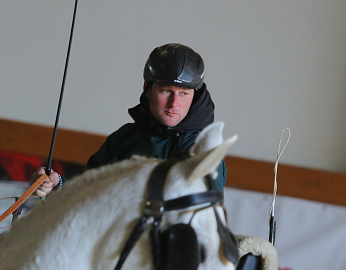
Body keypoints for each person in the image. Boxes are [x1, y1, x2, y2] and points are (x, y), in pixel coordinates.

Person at [31, 43, 224, 197]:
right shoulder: (124, 138)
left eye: (184, 93)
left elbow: (197, 214)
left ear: (195, 95)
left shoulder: (204, 149)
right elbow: (88, 190)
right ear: (147, 88)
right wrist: (57, 184)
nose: (174, 104)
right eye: (166, 91)